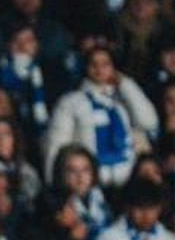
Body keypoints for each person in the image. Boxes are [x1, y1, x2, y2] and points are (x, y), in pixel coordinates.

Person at [44, 46, 158, 188]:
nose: (99, 69)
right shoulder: (71, 101)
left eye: (105, 64)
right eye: (94, 64)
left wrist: (125, 83)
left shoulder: (123, 99)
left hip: (127, 182)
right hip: (88, 184)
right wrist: (52, 183)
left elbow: (149, 122)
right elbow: (56, 144)